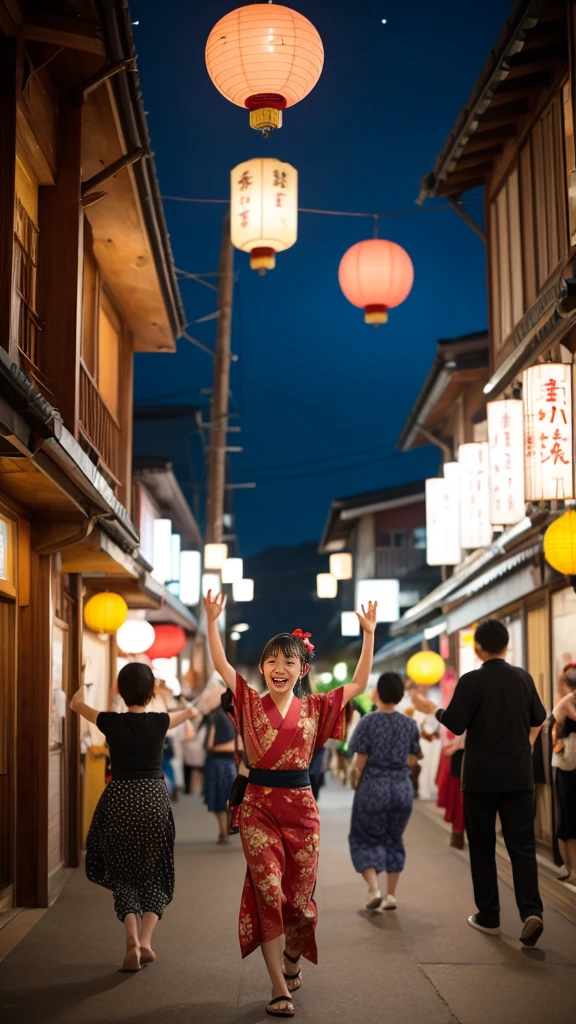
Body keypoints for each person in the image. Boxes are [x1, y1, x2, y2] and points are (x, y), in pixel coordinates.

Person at [204, 590, 377, 1020]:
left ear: (302, 669)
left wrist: (368, 635)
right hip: (258, 808)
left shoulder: (316, 707)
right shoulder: (245, 699)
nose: (279, 669)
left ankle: (294, 955)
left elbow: (356, 685)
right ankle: (279, 987)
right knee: (267, 892)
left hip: (302, 811)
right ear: (262, 668)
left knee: (298, 902)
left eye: (289, 662)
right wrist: (211, 622)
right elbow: (222, 665)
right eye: (272, 662)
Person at [413, 619, 547, 947]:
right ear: (507, 645)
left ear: (478, 648)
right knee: (523, 847)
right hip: (518, 777)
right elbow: (539, 718)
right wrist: (525, 747)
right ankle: (532, 911)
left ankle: (489, 915)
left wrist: (435, 710)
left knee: (483, 847)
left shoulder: (472, 681)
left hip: (481, 779)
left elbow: (456, 725)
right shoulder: (523, 678)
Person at [70, 663, 198, 971]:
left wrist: (80, 678)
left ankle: (130, 938)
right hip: (153, 797)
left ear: (119, 691)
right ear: (152, 692)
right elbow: (191, 714)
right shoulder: (161, 721)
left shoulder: (109, 721)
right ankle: (146, 941)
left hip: (120, 797)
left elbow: (75, 704)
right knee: (156, 871)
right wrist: (182, 703)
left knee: (122, 872)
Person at [348, 672, 422, 911]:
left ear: (377, 693)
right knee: (393, 839)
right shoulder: (409, 724)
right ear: (400, 694)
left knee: (363, 837)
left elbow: (361, 758)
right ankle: (391, 896)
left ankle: (373, 889)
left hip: (373, 787)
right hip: (401, 789)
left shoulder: (368, 722)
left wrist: (356, 778)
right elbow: (413, 759)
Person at [552, 663, 576, 882]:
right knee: (568, 819)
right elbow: (554, 722)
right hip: (567, 764)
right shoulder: (566, 704)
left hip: (569, 764)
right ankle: (571, 870)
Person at [204, 701, 238, 843]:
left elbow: (209, 744)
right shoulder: (231, 718)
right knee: (225, 800)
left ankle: (223, 831)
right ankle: (224, 831)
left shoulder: (216, 717)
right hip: (228, 765)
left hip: (215, 764)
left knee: (217, 801)